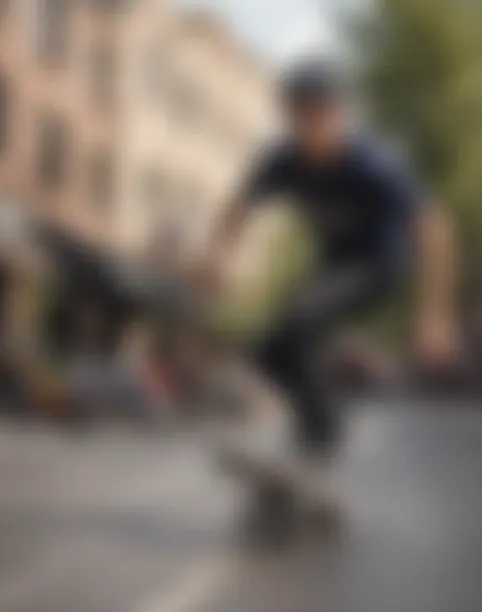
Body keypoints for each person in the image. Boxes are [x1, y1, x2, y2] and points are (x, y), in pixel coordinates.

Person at [194, 58, 458, 510]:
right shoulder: (281, 160)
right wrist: (214, 258)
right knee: (267, 342)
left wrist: (432, 315)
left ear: (341, 115)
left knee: (297, 324)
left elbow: (434, 229)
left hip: (379, 269)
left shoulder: (371, 162)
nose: (312, 131)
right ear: (290, 120)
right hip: (331, 273)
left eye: (322, 118)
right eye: (301, 119)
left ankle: (322, 438)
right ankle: (311, 436)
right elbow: (237, 208)